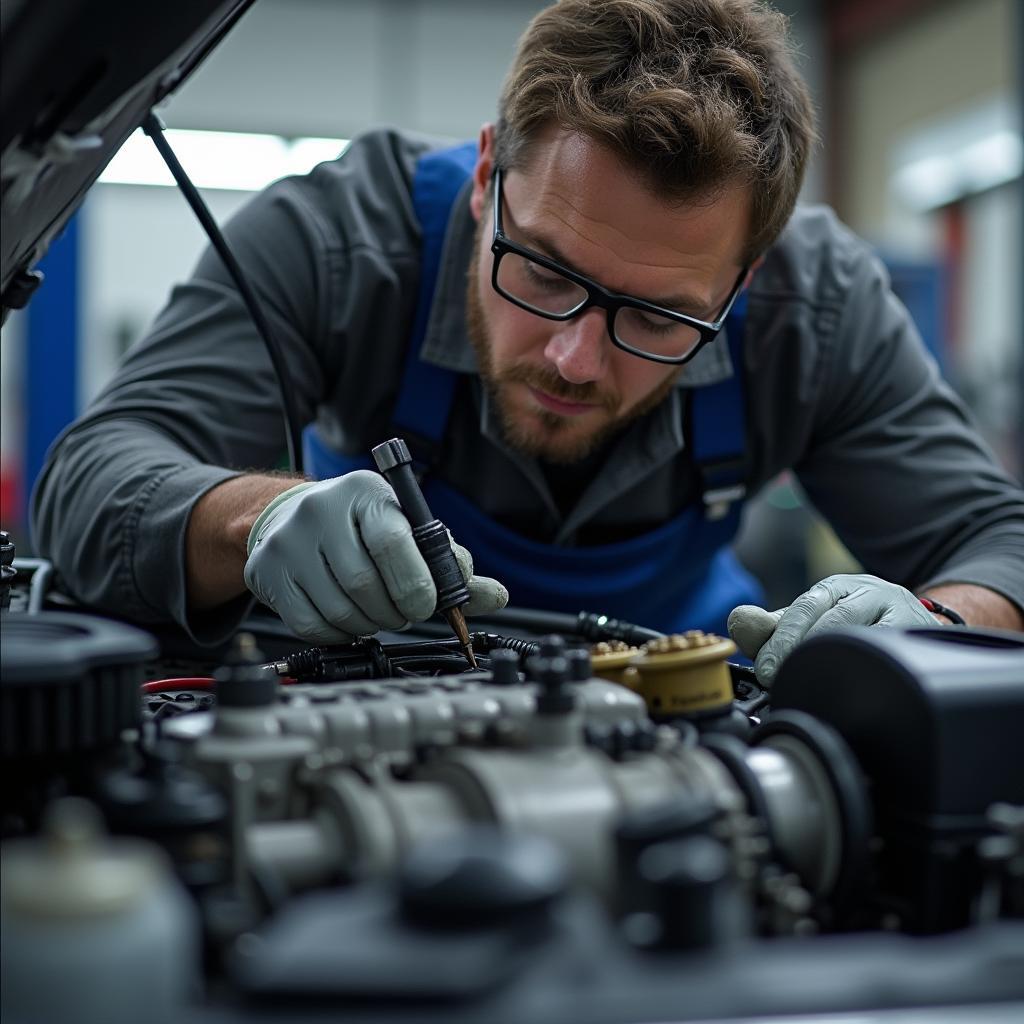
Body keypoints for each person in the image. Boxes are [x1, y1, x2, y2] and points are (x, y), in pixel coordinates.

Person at [32, 0, 1024, 684]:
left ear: (745, 279)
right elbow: (92, 475)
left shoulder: (820, 309)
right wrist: (254, 521)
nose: (572, 358)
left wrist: (939, 628)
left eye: (655, 316)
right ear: (484, 178)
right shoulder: (341, 239)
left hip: (678, 686)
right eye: (543, 272)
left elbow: (1000, 543)